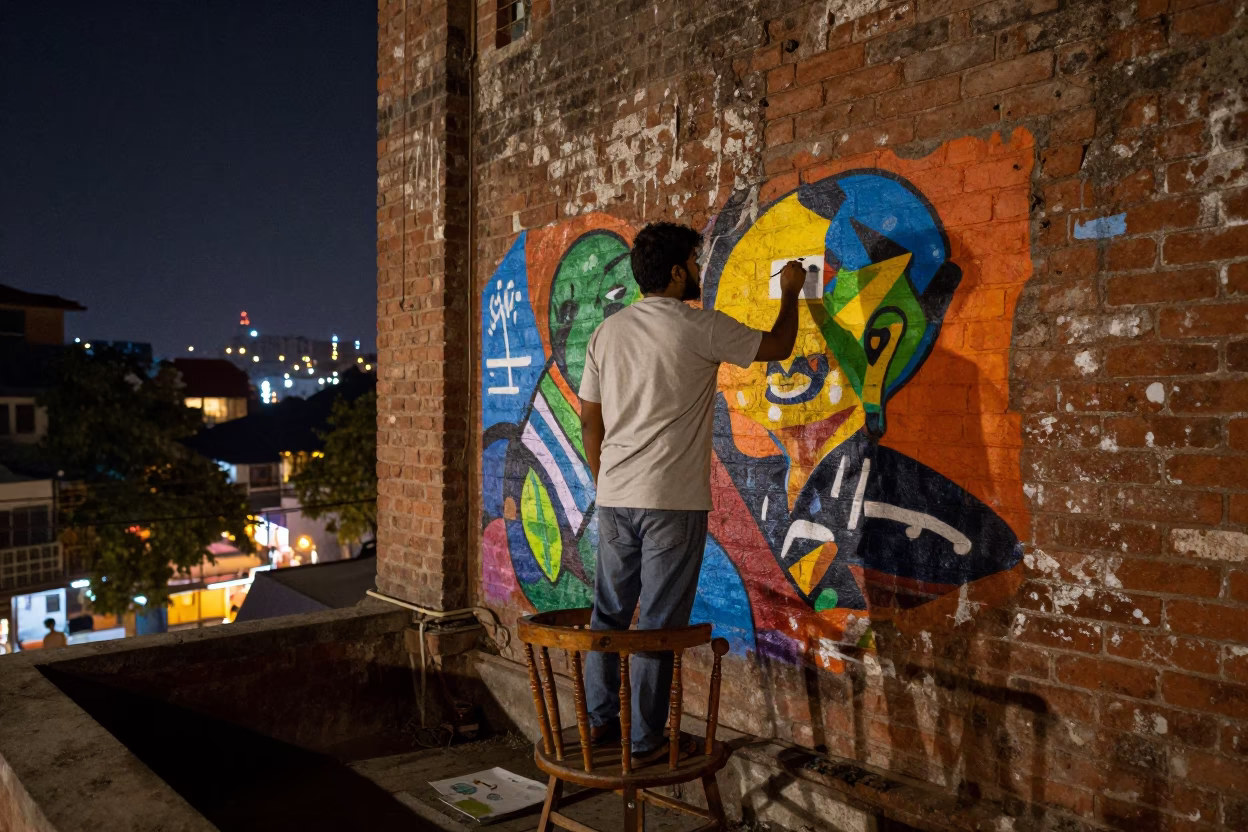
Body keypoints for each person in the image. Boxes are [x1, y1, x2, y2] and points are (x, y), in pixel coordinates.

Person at [577, 220, 805, 765]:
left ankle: (599, 723)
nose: (700, 271)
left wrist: (605, 480)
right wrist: (792, 292)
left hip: (615, 497)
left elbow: (589, 420)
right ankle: (645, 741)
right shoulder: (699, 327)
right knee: (658, 624)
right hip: (672, 502)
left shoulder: (607, 333)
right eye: (696, 263)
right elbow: (779, 345)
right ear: (678, 272)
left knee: (609, 615)